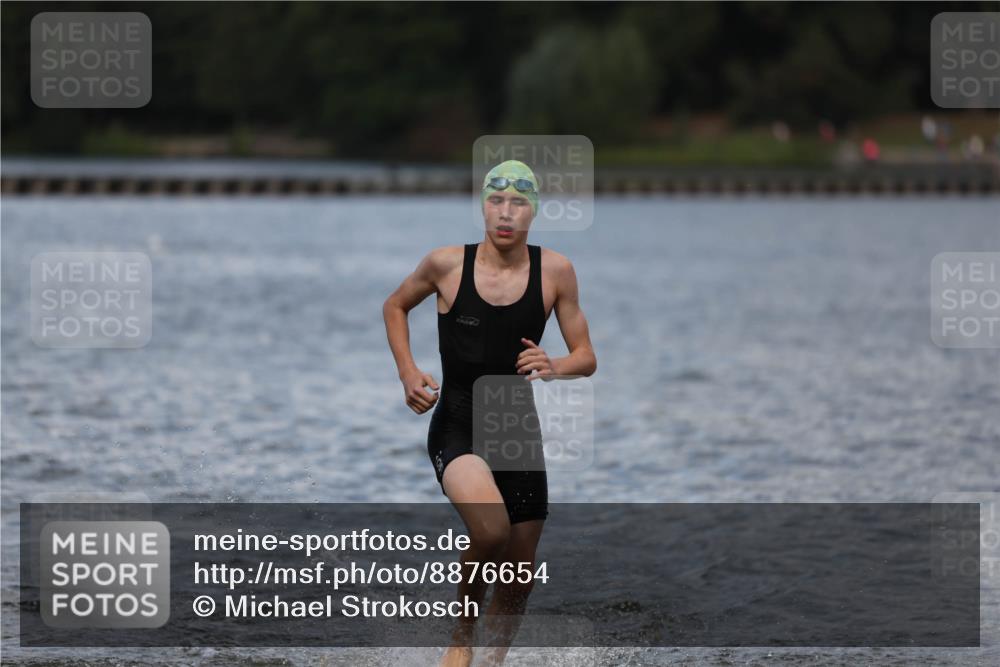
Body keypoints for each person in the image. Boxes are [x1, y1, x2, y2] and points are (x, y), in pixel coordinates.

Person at [382, 159, 597, 666]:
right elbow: (394, 306)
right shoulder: (447, 264)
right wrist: (408, 373)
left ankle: (494, 662)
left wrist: (556, 363)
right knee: (491, 531)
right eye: (496, 201)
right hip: (456, 423)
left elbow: (587, 356)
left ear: (533, 213)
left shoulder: (557, 272)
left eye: (518, 203)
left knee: (519, 576)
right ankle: (461, 639)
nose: (506, 213)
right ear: (483, 206)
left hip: (516, 429)